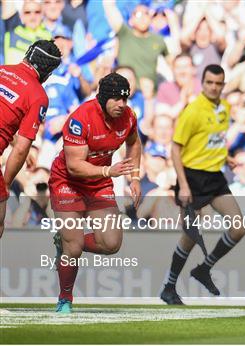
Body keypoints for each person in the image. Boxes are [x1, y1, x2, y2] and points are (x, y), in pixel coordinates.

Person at [49, 72, 142, 313]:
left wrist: (134, 177)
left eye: (125, 99)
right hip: (68, 181)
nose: (122, 105)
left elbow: (134, 143)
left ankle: (65, 240)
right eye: (116, 99)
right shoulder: (81, 118)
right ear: (102, 98)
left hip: (99, 182)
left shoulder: (128, 117)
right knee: (75, 247)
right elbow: (74, 166)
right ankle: (65, 299)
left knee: (111, 243)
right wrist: (107, 171)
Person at [160, 64, 245, 305]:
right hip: (192, 177)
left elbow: (213, 139)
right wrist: (184, 186)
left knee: (239, 227)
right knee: (190, 236)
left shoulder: (225, 108)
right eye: (209, 82)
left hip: (215, 176)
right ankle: (169, 287)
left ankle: (203, 269)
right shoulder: (193, 111)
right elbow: (175, 149)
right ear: (203, 82)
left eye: (218, 83)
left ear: (223, 84)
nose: (213, 87)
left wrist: (224, 157)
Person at [0, 39, 62, 238]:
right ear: (48, 73)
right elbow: (21, 149)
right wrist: (7, 184)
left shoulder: (1, 70)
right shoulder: (38, 96)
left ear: (28, 54)